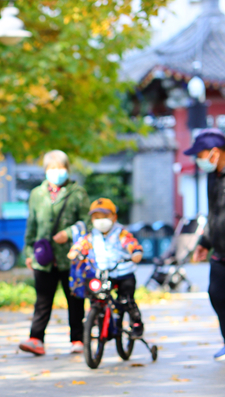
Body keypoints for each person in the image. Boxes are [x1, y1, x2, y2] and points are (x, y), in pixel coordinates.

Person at [20, 150, 90, 356]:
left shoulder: (77, 193)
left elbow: (87, 222)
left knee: (75, 301)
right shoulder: (36, 194)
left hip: (71, 257)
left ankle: (78, 339)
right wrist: (28, 251)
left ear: (67, 169)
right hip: (44, 257)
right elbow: (31, 225)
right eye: (52, 168)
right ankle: (36, 339)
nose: (56, 172)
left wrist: (68, 234)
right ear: (45, 171)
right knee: (42, 300)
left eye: (60, 168)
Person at [186, 128, 225, 364]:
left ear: (215, 152)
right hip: (220, 252)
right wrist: (205, 242)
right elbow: (214, 214)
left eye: (200, 154)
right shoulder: (212, 176)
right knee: (217, 295)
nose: (198, 160)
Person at [65, 198, 145, 337]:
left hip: (123, 273)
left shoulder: (121, 233)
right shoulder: (92, 235)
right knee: (95, 294)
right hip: (102, 273)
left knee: (126, 299)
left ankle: (136, 322)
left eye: (105, 216)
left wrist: (136, 252)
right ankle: (96, 316)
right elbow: (82, 244)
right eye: (97, 217)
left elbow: (131, 243)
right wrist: (75, 251)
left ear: (114, 217)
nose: (101, 221)